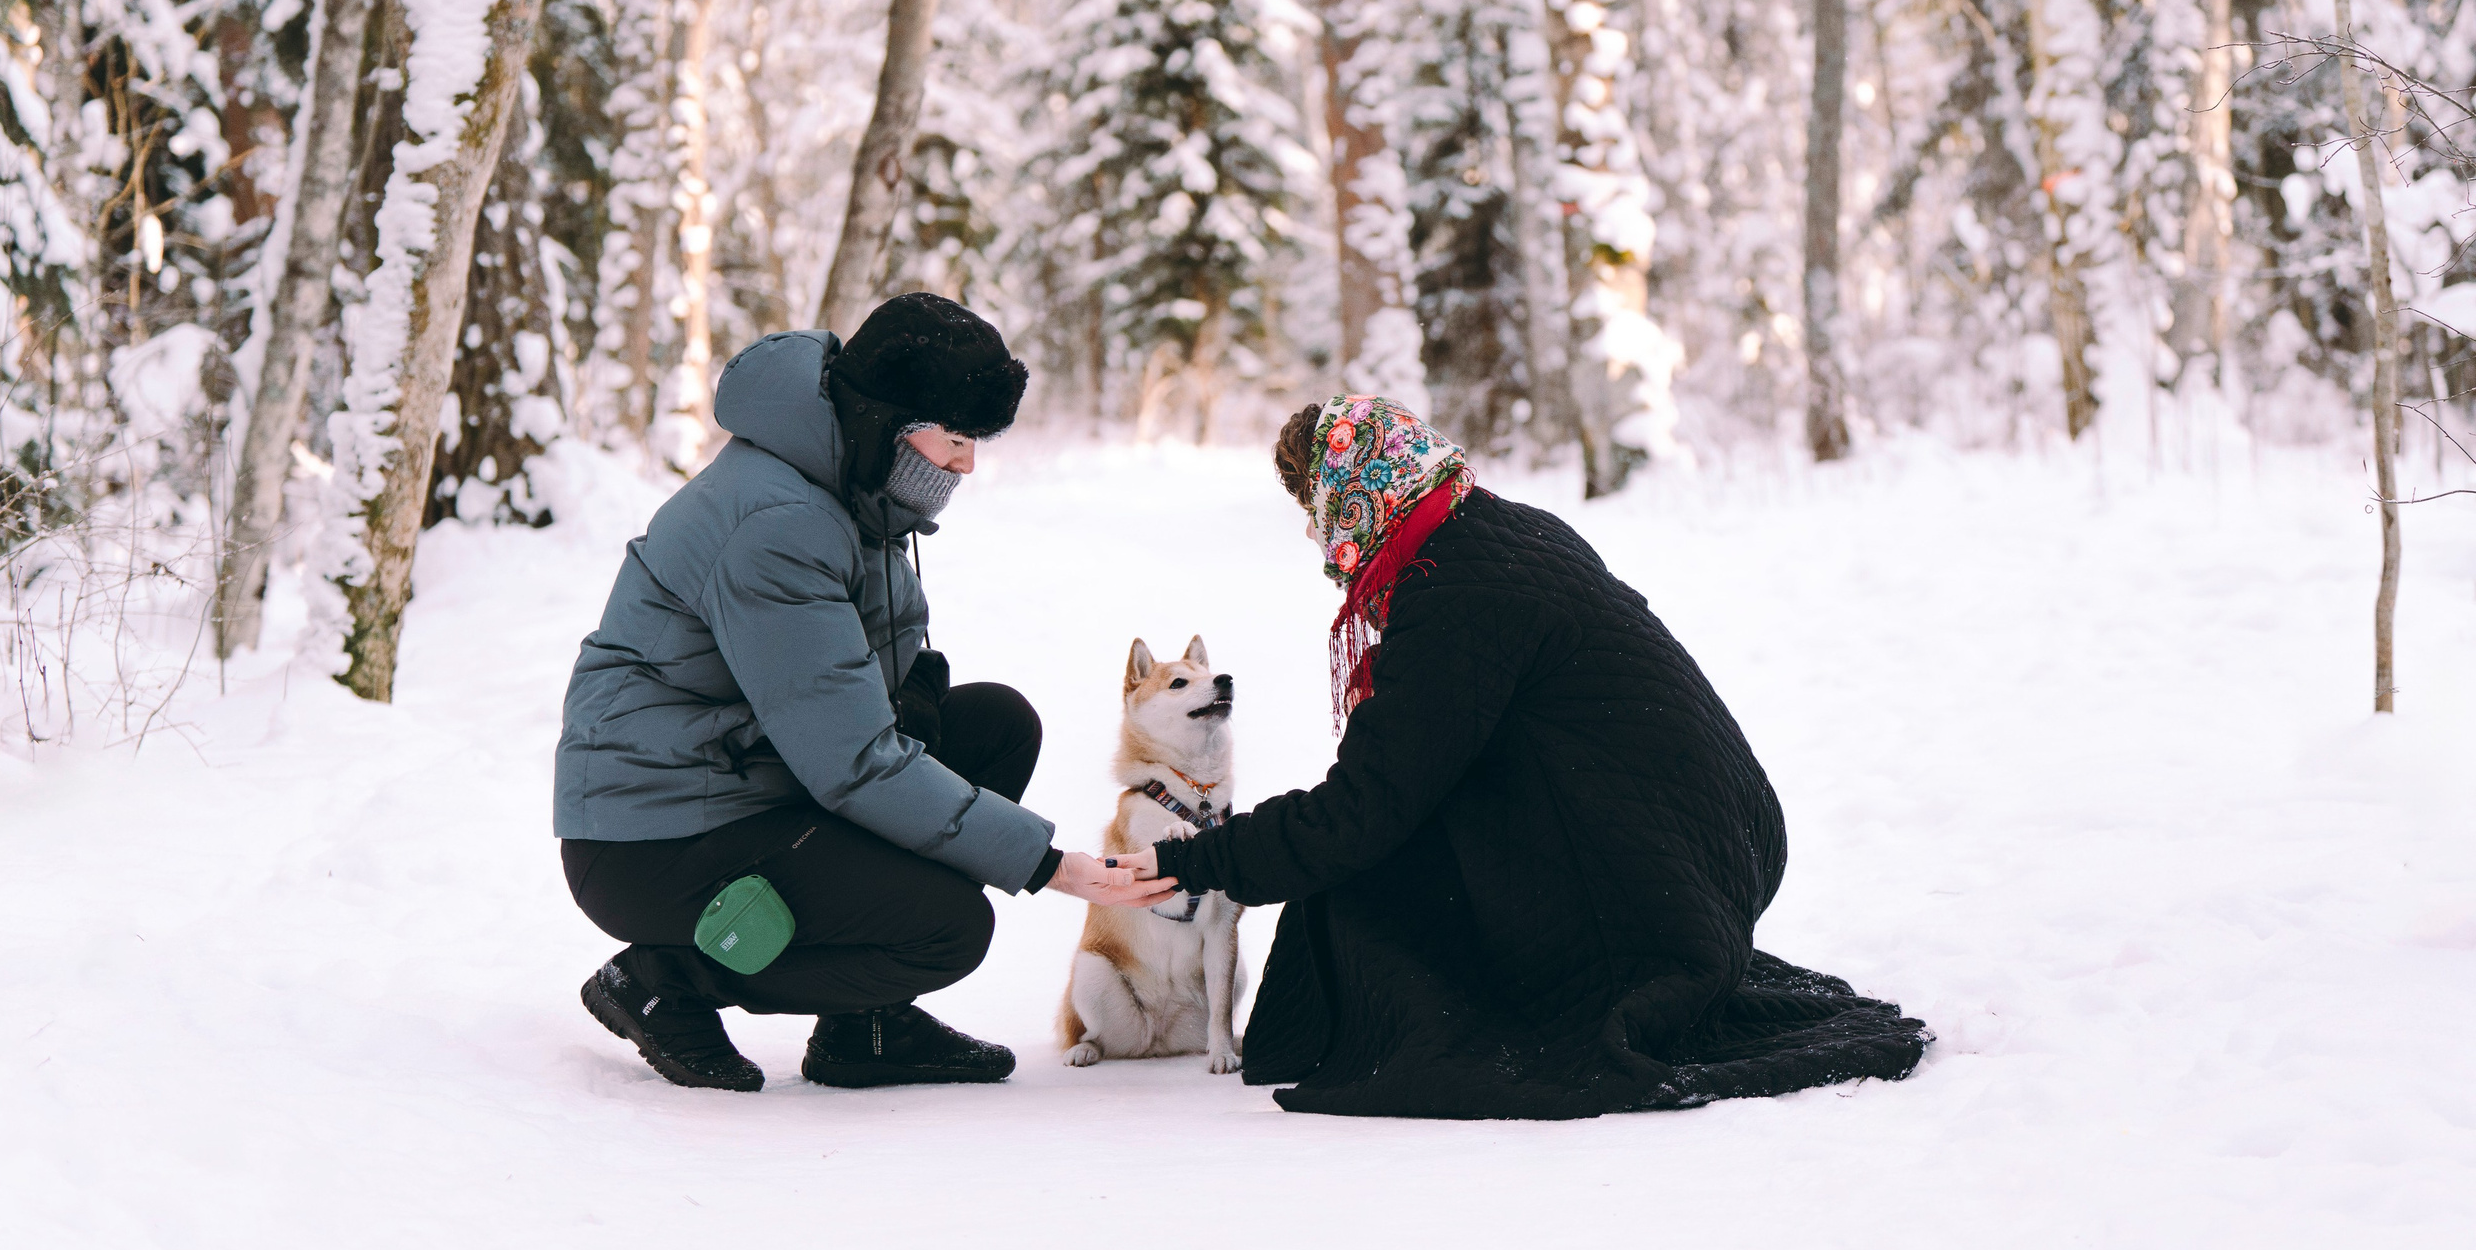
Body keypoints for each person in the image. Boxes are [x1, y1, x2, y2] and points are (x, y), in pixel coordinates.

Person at [1113, 395, 1926, 1120]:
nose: (1315, 535)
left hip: (1657, 881)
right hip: (1722, 844)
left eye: (1315, 508)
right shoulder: (1501, 528)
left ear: (1355, 497)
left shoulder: (1449, 593)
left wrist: (1203, 857)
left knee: (1360, 910)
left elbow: (1365, 806)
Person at [555, 293, 1177, 1093]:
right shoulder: (775, 521)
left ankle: (867, 1027)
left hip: (757, 777)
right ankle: (664, 981)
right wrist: (1050, 864)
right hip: (657, 834)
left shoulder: (851, 484)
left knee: (992, 725)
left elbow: (851, 704)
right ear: (887, 420)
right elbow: (852, 762)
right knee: (947, 931)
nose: (966, 465)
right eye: (954, 439)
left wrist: (908, 692)